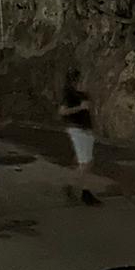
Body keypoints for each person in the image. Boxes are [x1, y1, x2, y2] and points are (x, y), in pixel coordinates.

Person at [60, 69, 99, 204]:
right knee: (86, 163)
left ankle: (84, 190)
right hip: (77, 129)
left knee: (86, 162)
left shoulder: (82, 94)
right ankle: (75, 187)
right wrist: (80, 108)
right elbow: (63, 111)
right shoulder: (69, 95)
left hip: (85, 129)